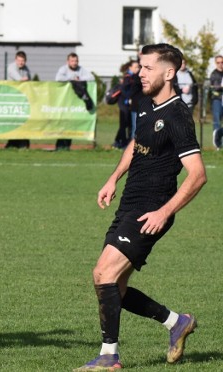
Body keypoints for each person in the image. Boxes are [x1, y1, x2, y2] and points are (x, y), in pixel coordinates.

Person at [75, 43, 207, 371]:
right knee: (112, 287)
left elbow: (198, 175)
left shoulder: (177, 115)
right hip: (129, 203)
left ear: (169, 72)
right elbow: (138, 143)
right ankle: (177, 322)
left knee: (103, 273)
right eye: (140, 66)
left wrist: (164, 212)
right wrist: (113, 178)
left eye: (147, 67)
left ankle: (109, 357)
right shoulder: (148, 105)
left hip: (150, 210)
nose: (140, 73)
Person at [55, 52, 94, 150]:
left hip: (75, 104)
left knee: (71, 123)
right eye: (72, 61)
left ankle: (67, 146)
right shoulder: (63, 69)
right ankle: (60, 145)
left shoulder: (81, 70)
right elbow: (58, 78)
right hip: (64, 102)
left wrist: (79, 79)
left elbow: (91, 77)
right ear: (67, 61)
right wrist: (72, 79)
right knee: (63, 123)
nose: (74, 63)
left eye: (76, 61)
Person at [112, 60, 140, 149]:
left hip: (129, 104)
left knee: (128, 124)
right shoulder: (128, 77)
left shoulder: (133, 77)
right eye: (136, 67)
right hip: (124, 104)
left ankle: (119, 142)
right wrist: (129, 98)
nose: (138, 69)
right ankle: (122, 143)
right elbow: (125, 90)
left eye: (138, 67)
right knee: (124, 124)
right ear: (130, 68)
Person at [6, 51, 31, 149]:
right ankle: (12, 143)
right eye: (19, 60)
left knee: (23, 121)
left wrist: (25, 79)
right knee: (14, 122)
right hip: (12, 99)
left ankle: (22, 143)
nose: (21, 62)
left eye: (23, 61)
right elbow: (20, 79)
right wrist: (24, 79)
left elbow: (29, 80)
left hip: (21, 99)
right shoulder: (11, 67)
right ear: (15, 60)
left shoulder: (26, 68)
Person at [209, 55, 223, 149]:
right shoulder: (214, 74)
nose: (220, 64)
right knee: (217, 121)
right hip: (217, 100)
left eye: (222, 62)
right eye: (218, 62)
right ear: (215, 63)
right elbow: (213, 87)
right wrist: (221, 87)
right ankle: (217, 144)